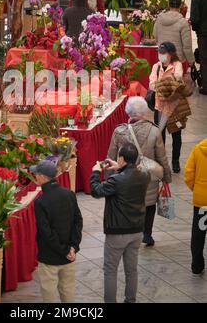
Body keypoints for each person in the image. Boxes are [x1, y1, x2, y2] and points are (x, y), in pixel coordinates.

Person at [108, 96, 172, 247]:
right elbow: (161, 156)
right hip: (148, 175)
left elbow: (111, 156)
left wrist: (109, 178)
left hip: (125, 176)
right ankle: (147, 234)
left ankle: (130, 233)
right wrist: (166, 176)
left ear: (127, 112)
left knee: (128, 204)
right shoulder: (154, 131)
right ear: (144, 111)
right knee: (149, 204)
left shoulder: (119, 131)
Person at [90, 143, 150, 303]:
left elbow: (96, 191)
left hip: (117, 232)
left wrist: (96, 172)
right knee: (132, 270)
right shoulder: (145, 175)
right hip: (137, 231)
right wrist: (120, 167)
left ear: (122, 158)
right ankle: (130, 300)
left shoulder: (116, 180)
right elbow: (130, 177)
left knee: (110, 271)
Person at [32, 160, 83, 303]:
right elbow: (78, 222)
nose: (35, 176)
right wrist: (73, 247)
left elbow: (46, 232)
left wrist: (64, 250)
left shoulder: (40, 201)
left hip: (50, 257)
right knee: (68, 293)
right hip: (69, 256)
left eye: (36, 173)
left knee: (49, 295)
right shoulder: (69, 194)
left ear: (42, 177)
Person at [149, 42, 191, 174]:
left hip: (174, 108)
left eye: (163, 53)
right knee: (159, 137)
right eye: (159, 53)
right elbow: (151, 84)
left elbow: (177, 79)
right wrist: (166, 85)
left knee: (176, 136)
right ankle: (161, 162)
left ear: (170, 54)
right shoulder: (156, 67)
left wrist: (161, 86)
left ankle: (175, 162)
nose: (161, 55)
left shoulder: (177, 65)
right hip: (159, 107)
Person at [185, 138, 207, 276]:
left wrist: (197, 188)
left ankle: (197, 265)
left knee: (199, 233)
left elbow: (188, 174)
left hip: (202, 201)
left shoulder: (198, 149)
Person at [153, 0, 194, 66]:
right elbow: (187, 46)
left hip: (163, 56)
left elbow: (155, 36)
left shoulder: (159, 19)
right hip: (177, 58)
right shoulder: (183, 22)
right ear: (180, 6)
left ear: (168, 4)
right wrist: (191, 61)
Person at [190, 0, 207, 95]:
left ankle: (206, 87)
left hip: (204, 34)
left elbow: (194, 19)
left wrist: (197, 30)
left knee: (204, 60)